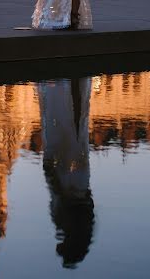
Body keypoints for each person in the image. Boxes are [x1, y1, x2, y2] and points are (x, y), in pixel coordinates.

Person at [38, 77, 94, 268]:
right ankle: (69, 83)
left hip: (77, 176)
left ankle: (72, 83)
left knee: (72, 123)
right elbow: (58, 187)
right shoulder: (69, 220)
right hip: (70, 174)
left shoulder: (79, 218)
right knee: (65, 121)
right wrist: (49, 171)